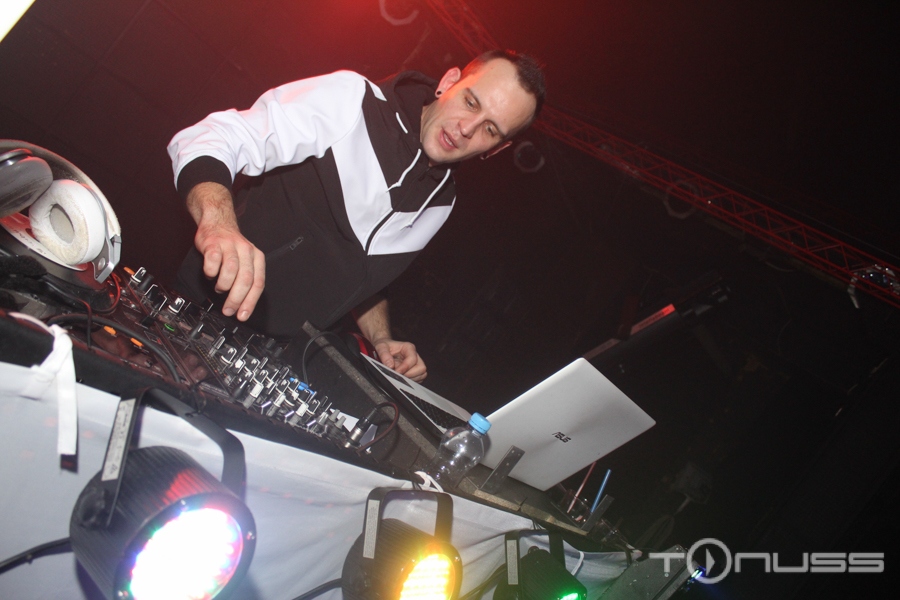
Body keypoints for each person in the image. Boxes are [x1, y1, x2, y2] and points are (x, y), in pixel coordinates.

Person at [167, 50, 545, 382]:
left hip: (275, 359)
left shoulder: (442, 203)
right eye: (471, 102)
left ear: (497, 149)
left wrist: (381, 338)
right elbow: (214, 137)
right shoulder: (353, 100)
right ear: (449, 82)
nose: (466, 129)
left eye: (490, 129)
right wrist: (219, 224)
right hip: (200, 314)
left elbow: (363, 277)